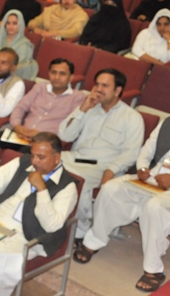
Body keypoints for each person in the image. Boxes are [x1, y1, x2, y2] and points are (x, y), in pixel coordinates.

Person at [74, 90, 170, 292]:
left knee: (155, 207)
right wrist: (142, 167)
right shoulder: (167, 124)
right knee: (111, 188)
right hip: (149, 181)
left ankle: (153, 270)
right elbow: (146, 150)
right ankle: (94, 240)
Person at [0, 132, 78, 296]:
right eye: (33, 155)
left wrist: (42, 189)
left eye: (41, 157)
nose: (34, 161)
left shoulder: (67, 187)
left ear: (57, 157)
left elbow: (52, 225)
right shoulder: (22, 163)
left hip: (27, 232)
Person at [57, 68, 144, 243]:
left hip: (103, 166)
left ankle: (82, 228)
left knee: (76, 179)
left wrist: (111, 170)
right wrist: (82, 109)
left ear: (118, 90)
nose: (98, 89)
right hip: (78, 157)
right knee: (43, 163)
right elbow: (64, 136)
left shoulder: (132, 117)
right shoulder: (89, 107)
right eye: (97, 84)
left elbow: (131, 153)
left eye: (105, 85)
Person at [0, 59, 86, 151]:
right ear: (49, 73)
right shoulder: (40, 87)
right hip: (21, 135)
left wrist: (41, 135)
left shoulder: (77, 97)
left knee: (25, 155)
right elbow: (20, 107)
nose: (57, 77)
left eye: (62, 74)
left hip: (45, 142)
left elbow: (71, 126)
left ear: (71, 77)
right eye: (53, 72)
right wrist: (17, 126)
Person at [0, 10, 38, 80]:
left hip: (9, 77)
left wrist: (0, 66)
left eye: (14, 23)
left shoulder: (24, 44)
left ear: (20, 25)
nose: (11, 26)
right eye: (8, 23)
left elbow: (19, 66)